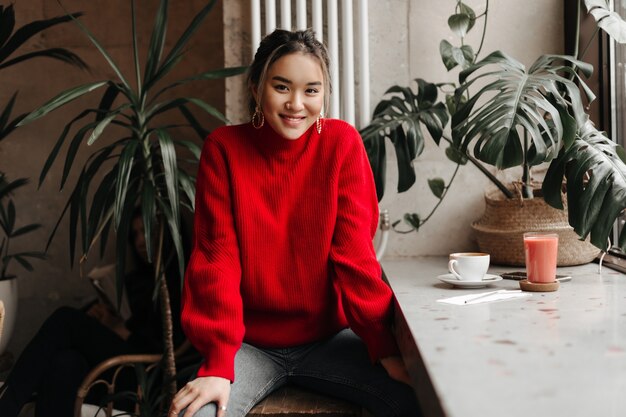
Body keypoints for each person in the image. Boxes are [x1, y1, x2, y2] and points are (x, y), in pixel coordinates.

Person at [169, 29, 422, 417]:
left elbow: (354, 257)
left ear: (324, 94)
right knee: (197, 415)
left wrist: (383, 346)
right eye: (282, 87)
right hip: (248, 347)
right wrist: (220, 363)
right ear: (256, 87)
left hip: (330, 341)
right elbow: (216, 260)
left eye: (311, 90)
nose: (296, 104)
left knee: (417, 400)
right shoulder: (224, 150)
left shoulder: (342, 145)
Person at [0, 210, 186, 417]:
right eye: (135, 235)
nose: (141, 240)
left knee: (65, 319)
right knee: (66, 362)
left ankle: (5, 406)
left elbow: (172, 348)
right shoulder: (134, 280)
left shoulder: (178, 282)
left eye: (146, 230)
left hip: (145, 377)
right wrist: (98, 317)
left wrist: (123, 331)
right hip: (112, 368)